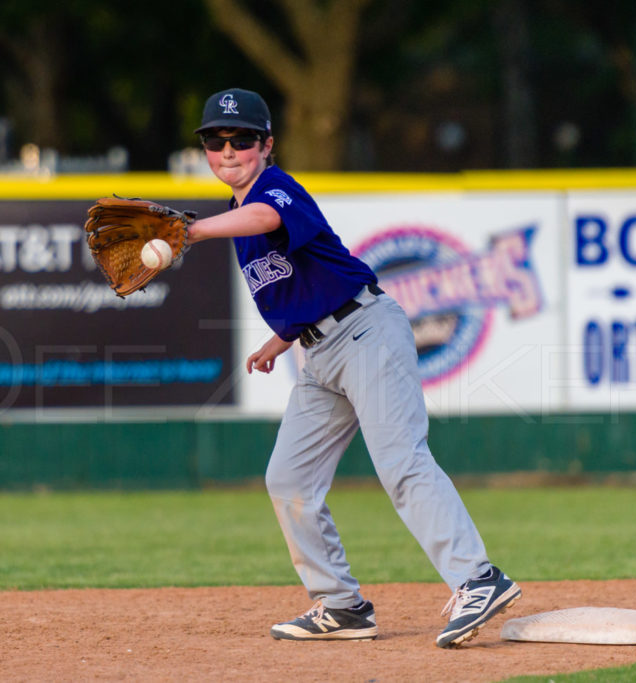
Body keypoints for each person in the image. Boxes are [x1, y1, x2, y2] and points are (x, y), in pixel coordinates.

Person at [186, 88, 521, 648]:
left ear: (266, 145)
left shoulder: (274, 189)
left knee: (400, 461)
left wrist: (190, 231)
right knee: (288, 479)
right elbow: (309, 279)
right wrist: (280, 338)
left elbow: (267, 217)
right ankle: (341, 606)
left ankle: (478, 579)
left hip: (365, 332)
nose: (228, 150)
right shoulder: (236, 213)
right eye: (216, 141)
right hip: (316, 354)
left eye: (242, 138)